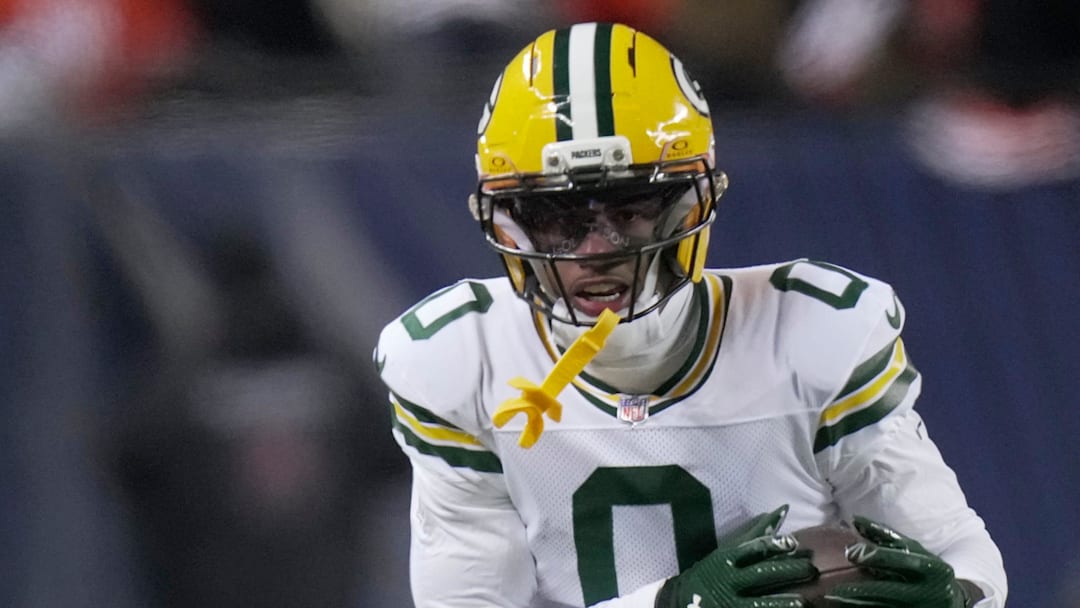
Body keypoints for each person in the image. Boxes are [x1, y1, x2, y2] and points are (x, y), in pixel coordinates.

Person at [375, 21, 1007, 608]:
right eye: (560, 218)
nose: (598, 251)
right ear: (510, 221)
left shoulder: (818, 335)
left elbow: (961, 554)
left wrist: (955, 598)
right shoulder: (457, 364)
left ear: (692, 200)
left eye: (631, 208)